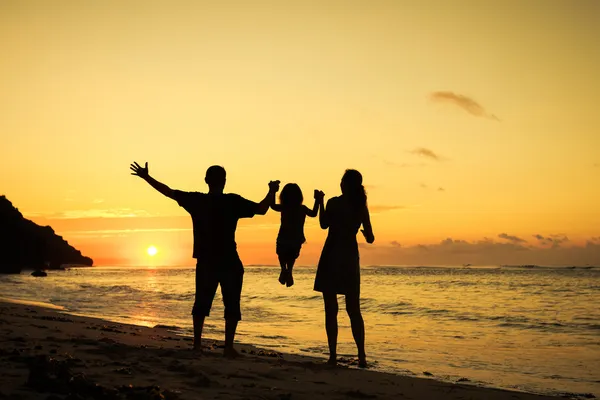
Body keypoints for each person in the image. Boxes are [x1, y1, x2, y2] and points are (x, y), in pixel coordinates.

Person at [130, 161, 279, 357]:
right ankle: (228, 347)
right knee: (231, 303)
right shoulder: (232, 201)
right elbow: (261, 209)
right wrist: (271, 191)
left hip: (207, 260)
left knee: (202, 302)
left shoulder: (197, 201)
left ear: (206, 180)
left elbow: (168, 192)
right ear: (224, 181)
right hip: (228, 259)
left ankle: (197, 344)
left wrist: (146, 177)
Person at [314, 169, 374, 368]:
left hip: (331, 254)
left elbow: (323, 224)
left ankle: (332, 356)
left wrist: (320, 202)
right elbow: (371, 237)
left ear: (345, 184)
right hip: (349, 256)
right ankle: (362, 357)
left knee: (331, 309)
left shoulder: (334, 203)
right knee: (353, 309)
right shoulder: (360, 207)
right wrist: (364, 233)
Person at [270, 184, 324, 287]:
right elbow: (313, 213)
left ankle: (283, 269)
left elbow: (272, 206)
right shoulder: (302, 208)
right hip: (296, 238)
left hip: (284, 237)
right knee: (292, 256)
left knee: (281, 254)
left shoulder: (284, 207)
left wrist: (273, 191)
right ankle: (289, 270)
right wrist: (317, 200)